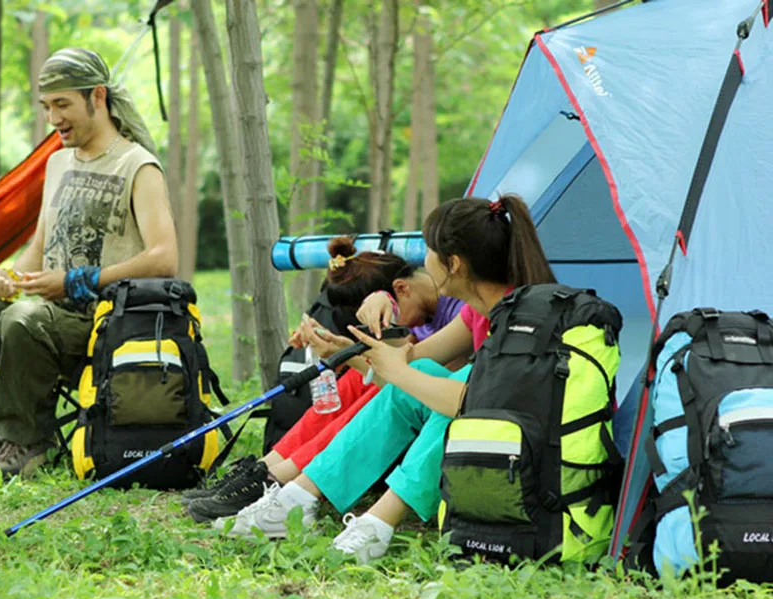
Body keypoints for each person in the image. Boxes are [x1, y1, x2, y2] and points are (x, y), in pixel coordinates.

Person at [221, 195, 557, 563]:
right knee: (426, 374)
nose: (423, 263)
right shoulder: (479, 313)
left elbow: (474, 402)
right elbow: (410, 370)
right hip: (495, 435)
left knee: (457, 390)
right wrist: (344, 354)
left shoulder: (523, 319)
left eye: (428, 252)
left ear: (454, 264)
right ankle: (296, 501)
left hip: (533, 456)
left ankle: (376, 525)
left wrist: (397, 368)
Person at [0, 47, 178, 480]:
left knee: (24, 316)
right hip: (34, 320)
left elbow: (164, 258)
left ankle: (28, 442)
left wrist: (77, 281)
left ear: (97, 97)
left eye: (62, 104)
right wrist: (7, 277)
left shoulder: (137, 165)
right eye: (46, 107)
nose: (52, 119)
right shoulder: (56, 163)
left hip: (104, 327)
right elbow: (38, 250)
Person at [183, 236, 464, 522]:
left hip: (439, 406)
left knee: (374, 386)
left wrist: (343, 352)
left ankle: (281, 480)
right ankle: (268, 468)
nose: (398, 326)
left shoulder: (462, 310)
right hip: (419, 394)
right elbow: (405, 361)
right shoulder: (430, 309)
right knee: (358, 380)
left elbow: (414, 373)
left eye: (391, 315)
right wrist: (341, 350)